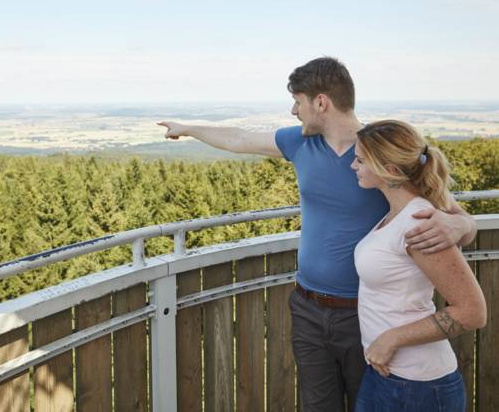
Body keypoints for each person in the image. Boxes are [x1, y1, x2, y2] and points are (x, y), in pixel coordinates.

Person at [158, 56, 476, 411]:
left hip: (365, 315)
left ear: (320, 102)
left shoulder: (378, 152)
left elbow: (449, 211)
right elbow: (238, 138)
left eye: (298, 101)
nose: (294, 111)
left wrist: (461, 224)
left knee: (367, 401)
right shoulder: (300, 144)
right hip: (307, 307)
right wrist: (188, 128)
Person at [351, 120, 486, 411]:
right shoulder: (399, 215)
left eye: (360, 160)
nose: (353, 166)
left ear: (390, 170)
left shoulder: (419, 223)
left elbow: (473, 312)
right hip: (387, 372)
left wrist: (391, 339)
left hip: (417, 386)